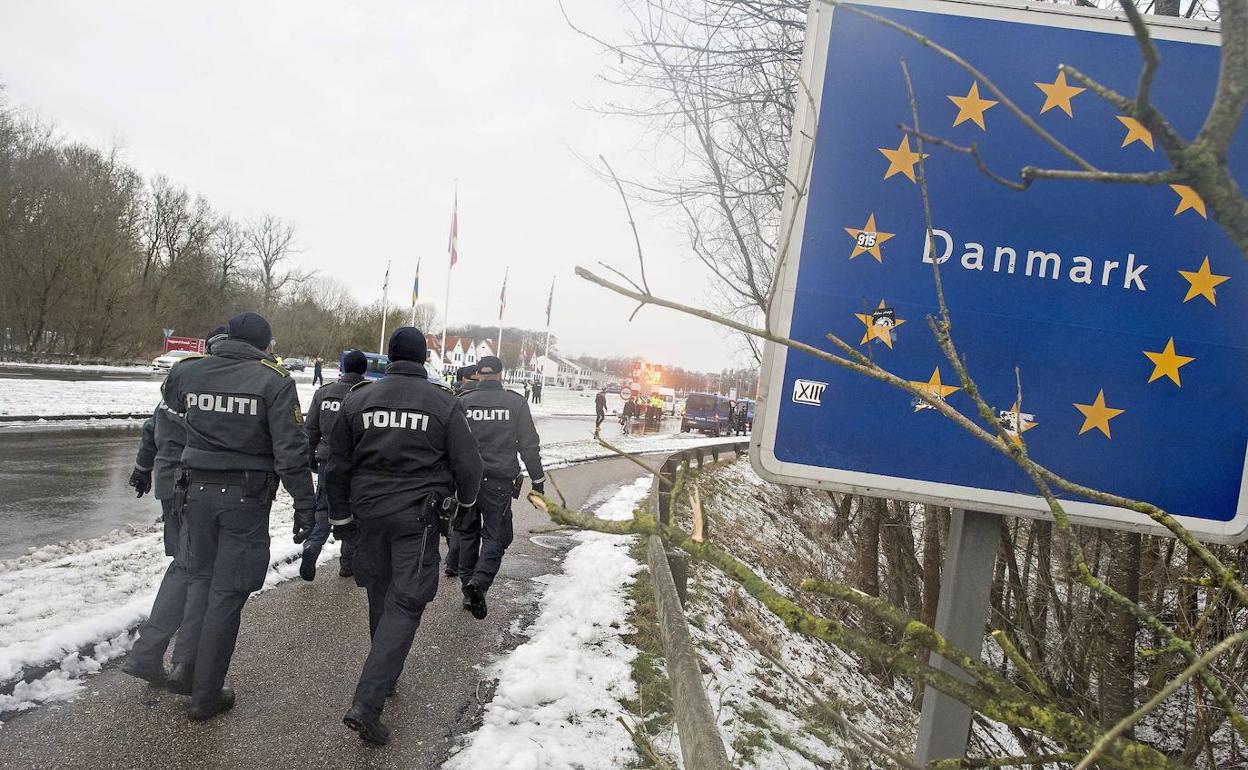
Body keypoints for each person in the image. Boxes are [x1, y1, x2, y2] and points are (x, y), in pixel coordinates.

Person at [325, 327, 482, 745]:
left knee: (380, 591)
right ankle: (368, 702)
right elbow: (470, 466)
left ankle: (384, 672)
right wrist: (464, 506)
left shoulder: (357, 399)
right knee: (407, 601)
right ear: (424, 357)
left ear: (390, 356)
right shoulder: (444, 403)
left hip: (367, 516)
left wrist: (339, 517)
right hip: (417, 519)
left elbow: (335, 465)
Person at [161, 311, 315, 721]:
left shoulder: (189, 371)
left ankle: (185, 668)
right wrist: (305, 503)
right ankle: (206, 694)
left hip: (194, 492)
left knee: (200, 579)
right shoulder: (274, 380)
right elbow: (291, 452)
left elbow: (171, 406)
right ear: (265, 344)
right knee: (227, 594)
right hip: (245, 500)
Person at [456, 356, 544, 620]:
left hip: (466, 482)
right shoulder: (515, 403)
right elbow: (529, 445)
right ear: (501, 375)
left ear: (477, 375)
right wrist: (537, 480)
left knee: (468, 534)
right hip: (498, 482)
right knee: (497, 536)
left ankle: (467, 588)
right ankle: (478, 584)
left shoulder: (462, 403)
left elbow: (451, 444)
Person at [301, 350, 368, 580]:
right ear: (364, 370)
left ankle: (313, 545)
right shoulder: (365, 394)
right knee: (352, 511)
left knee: (324, 507)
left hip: (326, 460)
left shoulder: (324, 393)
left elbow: (310, 431)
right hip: (355, 463)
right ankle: (347, 563)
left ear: (342, 368)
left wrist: (310, 460)